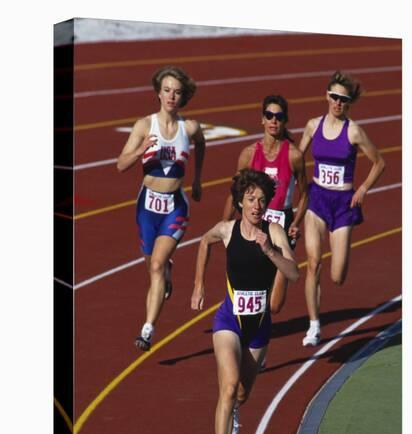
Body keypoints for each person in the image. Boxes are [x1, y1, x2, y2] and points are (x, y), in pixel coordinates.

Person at [191, 169, 299, 434]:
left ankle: (236, 411)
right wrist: (198, 284)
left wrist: (270, 251)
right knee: (227, 387)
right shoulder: (226, 230)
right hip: (228, 321)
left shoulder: (275, 231)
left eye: (262, 200)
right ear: (240, 202)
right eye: (251, 199)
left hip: (259, 327)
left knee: (241, 393)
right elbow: (203, 242)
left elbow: (293, 272)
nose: (257, 205)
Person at [117, 65, 205, 351]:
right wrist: (141, 150)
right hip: (147, 207)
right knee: (152, 267)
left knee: (155, 265)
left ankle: (147, 330)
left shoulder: (189, 128)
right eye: (167, 90)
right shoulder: (144, 126)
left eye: (177, 92)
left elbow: (201, 145)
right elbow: (120, 165)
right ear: (158, 92)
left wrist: (198, 180)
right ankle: (166, 273)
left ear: (183, 97)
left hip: (175, 207)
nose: (171, 96)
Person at [299, 70, 385, 346]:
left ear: (349, 103)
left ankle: (316, 320)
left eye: (343, 100)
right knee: (313, 263)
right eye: (334, 97)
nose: (338, 103)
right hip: (317, 199)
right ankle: (314, 326)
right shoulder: (313, 125)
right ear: (327, 95)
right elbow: (296, 158)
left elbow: (379, 162)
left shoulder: (355, 131)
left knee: (337, 276)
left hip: (342, 205)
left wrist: (362, 189)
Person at [222, 95, 307, 315]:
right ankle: (251, 328)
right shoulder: (249, 154)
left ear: (285, 120)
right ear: (262, 119)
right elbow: (234, 193)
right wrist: (225, 224)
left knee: (275, 304)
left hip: (281, 226)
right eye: (269, 115)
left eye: (278, 116)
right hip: (254, 222)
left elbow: (305, 194)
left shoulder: (294, 156)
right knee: (253, 280)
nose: (273, 120)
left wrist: (296, 222)